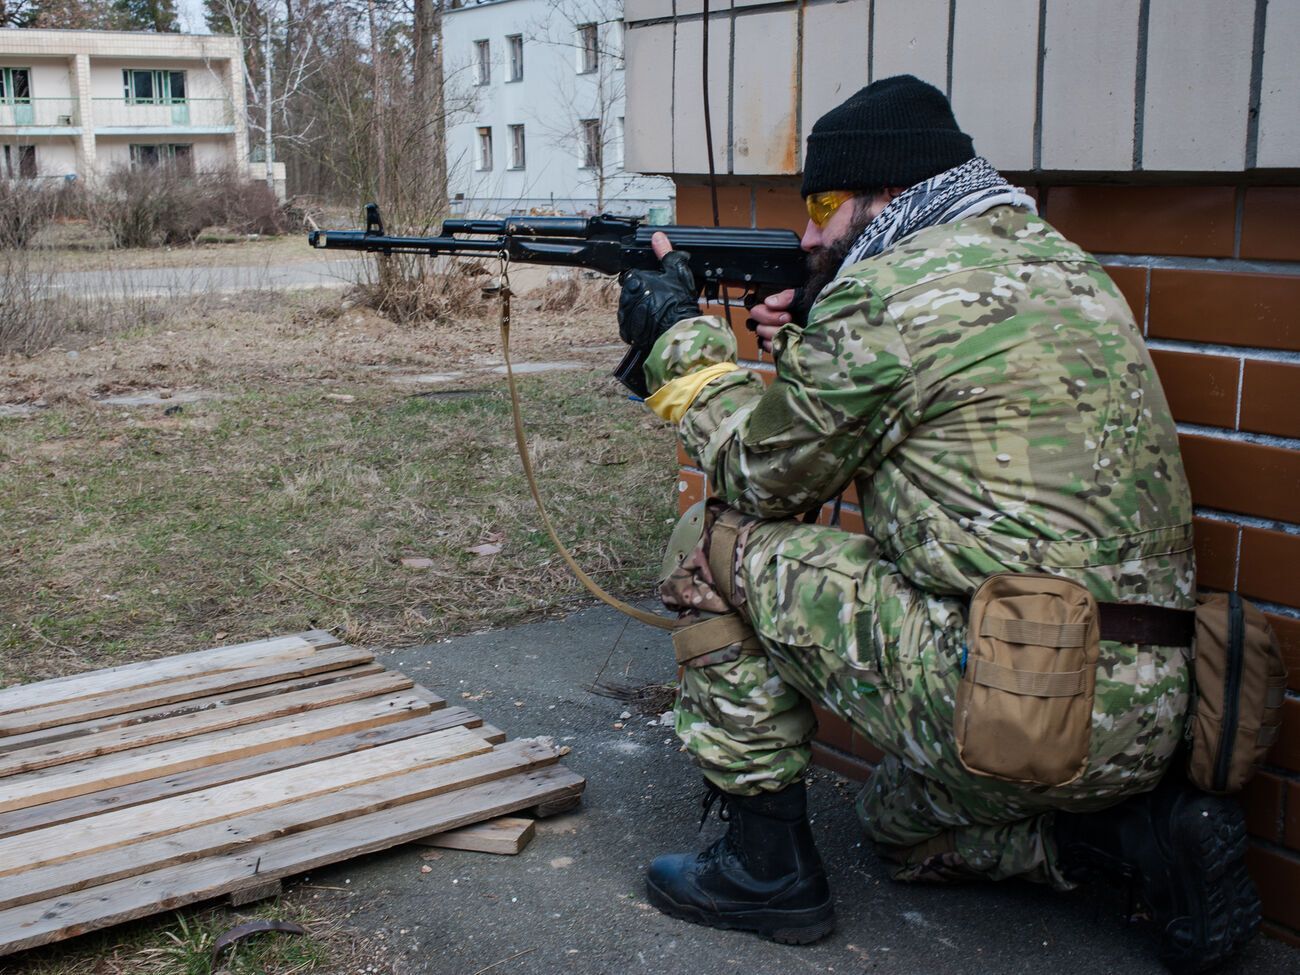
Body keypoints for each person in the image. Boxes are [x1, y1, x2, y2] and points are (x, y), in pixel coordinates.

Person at [615, 75, 1259, 971]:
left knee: (710, 541)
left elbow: (761, 477)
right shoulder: (1060, 261)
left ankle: (763, 872)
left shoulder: (885, 294)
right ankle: (1134, 842)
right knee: (894, 827)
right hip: (1151, 719)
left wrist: (678, 340)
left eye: (825, 205)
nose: (808, 235)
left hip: (1019, 703)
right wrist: (814, 338)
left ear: (888, 196)